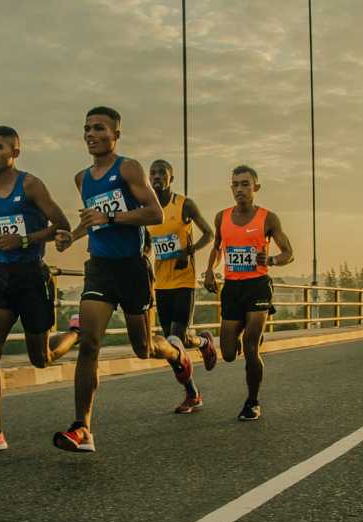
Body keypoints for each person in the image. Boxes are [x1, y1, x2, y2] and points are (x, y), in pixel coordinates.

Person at [51, 106, 200, 452]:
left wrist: (113, 216)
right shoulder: (82, 178)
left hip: (132, 268)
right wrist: (71, 237)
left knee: (144, 346)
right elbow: (93, 220)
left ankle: (178, 354)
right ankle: (82, 428)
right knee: (90, 344)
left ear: (115, 134)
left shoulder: (128, 168)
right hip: (100, 267)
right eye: (87, 128)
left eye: (99, 128)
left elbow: (154, 212)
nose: (91, 134)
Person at [0, 125, 81, 454]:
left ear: (14, 151)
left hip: (32, 277)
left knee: (42, 358)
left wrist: (25, 240)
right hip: (2, 278)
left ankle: (75, 333)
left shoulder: (31, 185)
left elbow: (62, 225)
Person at [203, 165, 294, 421]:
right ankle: (241, 333)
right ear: (231, 188)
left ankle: (252, 402)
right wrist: (210, 269)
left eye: (245, 184)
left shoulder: (268, 218)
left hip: (257, 285)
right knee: (229, 354)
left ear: (256, 188)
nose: (240, 189)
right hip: (232, 288)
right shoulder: (222, 217)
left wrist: (273, 260)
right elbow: (217, 246)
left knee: (250, 347)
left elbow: (289, 252)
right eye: (236, 184)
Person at [145, 159, 217, 413]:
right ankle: (204, 343)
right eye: (152, 173)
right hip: (161, 283)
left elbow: (209, 233)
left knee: (175, 339)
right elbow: (146, 244)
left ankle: (191, 394)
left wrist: (191, 250)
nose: (156, 177)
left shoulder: (183, 204)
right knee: (173, 345)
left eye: (161, 173)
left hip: (184, 280)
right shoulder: (148, 209)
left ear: (170, 179)